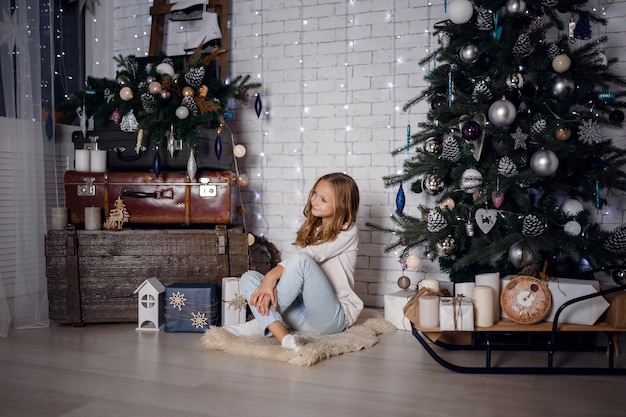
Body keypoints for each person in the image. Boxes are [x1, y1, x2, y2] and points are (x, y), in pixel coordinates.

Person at [224, 172, 364, 351]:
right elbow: (294, 272)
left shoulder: (348, 231)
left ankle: (261, 321)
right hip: (302, 316)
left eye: (323, 199)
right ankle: (284, 337)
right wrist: (267, 281)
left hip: (331, 318)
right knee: (249, 277)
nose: (314, 201)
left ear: (341, 205)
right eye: (314, 193)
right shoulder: (315, 228)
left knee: (301, 259)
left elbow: (311, 255)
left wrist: (271, 276)